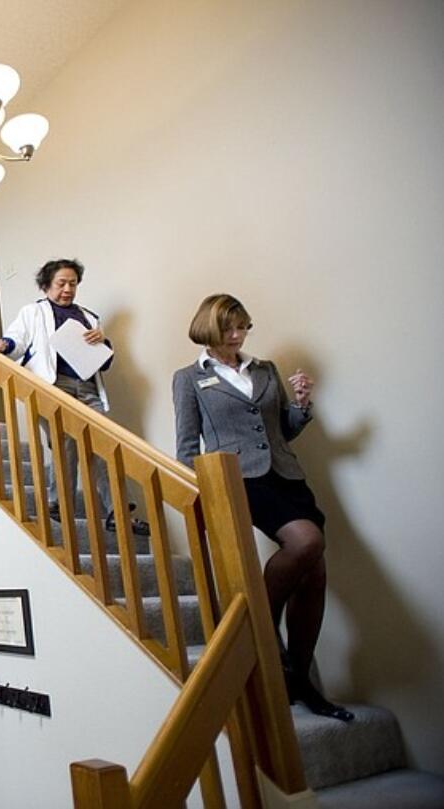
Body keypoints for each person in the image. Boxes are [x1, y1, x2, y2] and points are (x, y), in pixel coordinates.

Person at [172, 293, 353, 721]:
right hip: (241, 480)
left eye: (243, 327)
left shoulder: (265, 369)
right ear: (210, 330)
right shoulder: (189, 378)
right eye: (229, 329)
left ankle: (299, 677)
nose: (237, 336)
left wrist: (302, 406)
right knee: (305, 542)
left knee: (315, 571)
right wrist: (195, 492)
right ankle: (263, 626)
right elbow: (186, 445)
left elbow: (280, 432)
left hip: (287, 475)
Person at [0, 258, 149, 536]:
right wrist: (2, 345)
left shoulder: (89, 316)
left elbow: (103, 363)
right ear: (47, 285)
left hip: (87, 387)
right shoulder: (33, 312)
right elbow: (16, 340)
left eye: (72, 283)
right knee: (65, 440)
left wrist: (103, 344)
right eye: (61, 283)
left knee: (105, 444)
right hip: (52, 385)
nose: (67, 289)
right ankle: (59, 503)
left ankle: (117, 512)